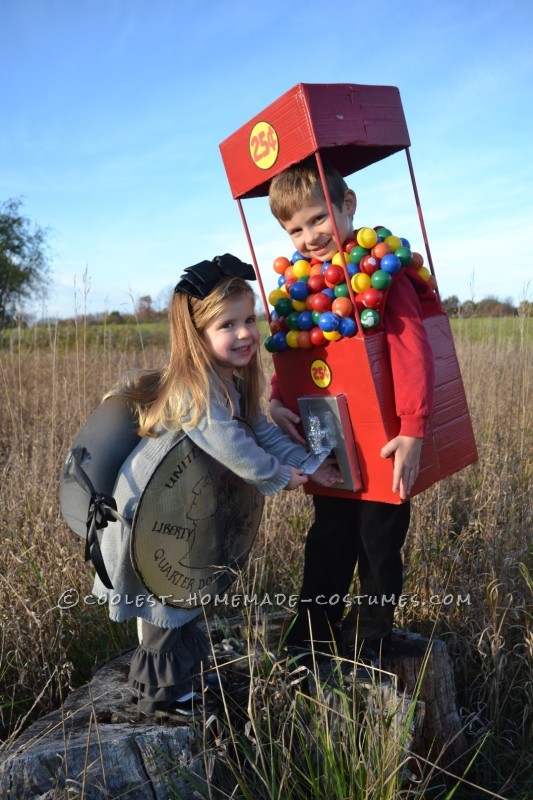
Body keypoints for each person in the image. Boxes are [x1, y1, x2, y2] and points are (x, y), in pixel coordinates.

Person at [91, 253, 341, 721]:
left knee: (182, 598)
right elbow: (232, 445)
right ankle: (161, 695)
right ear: (198, 335)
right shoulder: (198, 388)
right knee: (161, 603)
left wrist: (307, 463)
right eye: (228, 325)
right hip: (147, 515)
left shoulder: (234, 380)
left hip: (176, 507)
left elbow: (259, 433)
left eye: (249, 319)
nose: (245, 333)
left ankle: (182, 676)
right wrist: (280, 476)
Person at [267, 157, 440, 660]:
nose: (308, 236)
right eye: (295, 229)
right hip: (330, 440)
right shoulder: (305, 286)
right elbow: (299, 352)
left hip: (383, 440)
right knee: (328, 536)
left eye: (318, 218)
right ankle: (312, 634)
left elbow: (413, 353)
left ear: (347, 205)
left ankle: (370, 640)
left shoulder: (380, 274)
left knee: (378, 542)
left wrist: (412, 428)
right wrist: (278, 400)